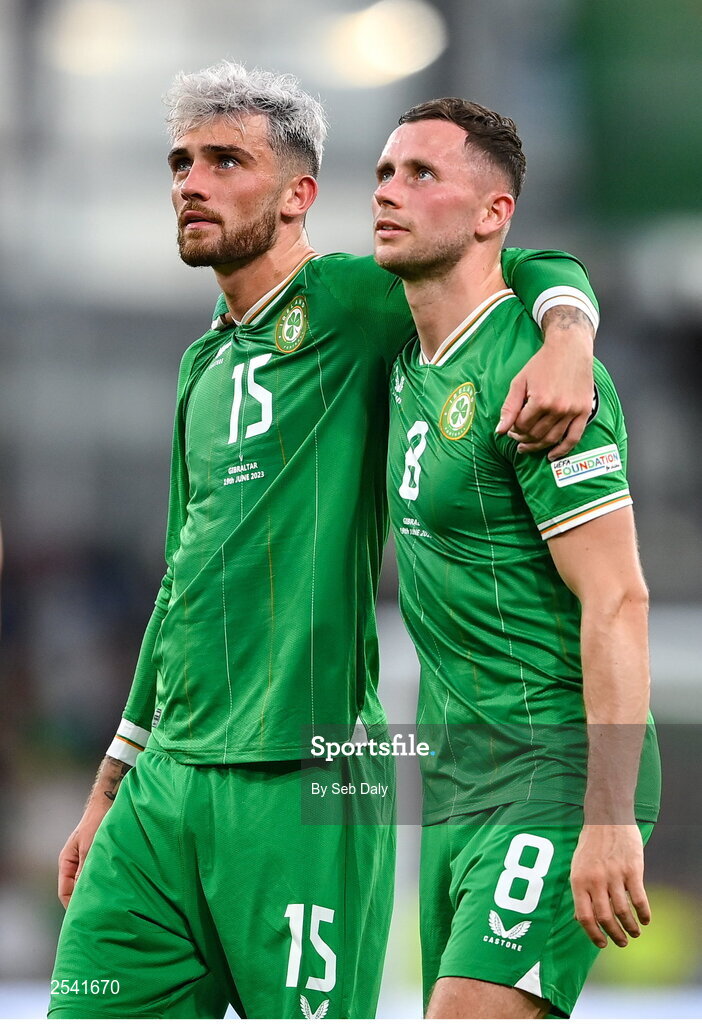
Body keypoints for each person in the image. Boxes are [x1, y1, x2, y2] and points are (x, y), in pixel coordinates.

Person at [49, 64, 600, 1019]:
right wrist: (112, 780)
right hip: (164, 784)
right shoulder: (203, 363)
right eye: (181, 161)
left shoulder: (355, 303)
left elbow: (519, 260)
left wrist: (569, 335)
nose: (192, 181)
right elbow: (182, 580)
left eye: (226, 161)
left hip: (308, 774)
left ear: (300, 195)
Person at [380, 98, 661, 1019]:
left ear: (492, 214)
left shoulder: (541, 385)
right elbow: (554, 267)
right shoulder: (397, 349)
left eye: (423, 175)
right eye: (384, 173)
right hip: (459, 781)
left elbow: (618, 599)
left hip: (554, 771)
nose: (389, 191)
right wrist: (572, 316)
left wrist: (609, 814)